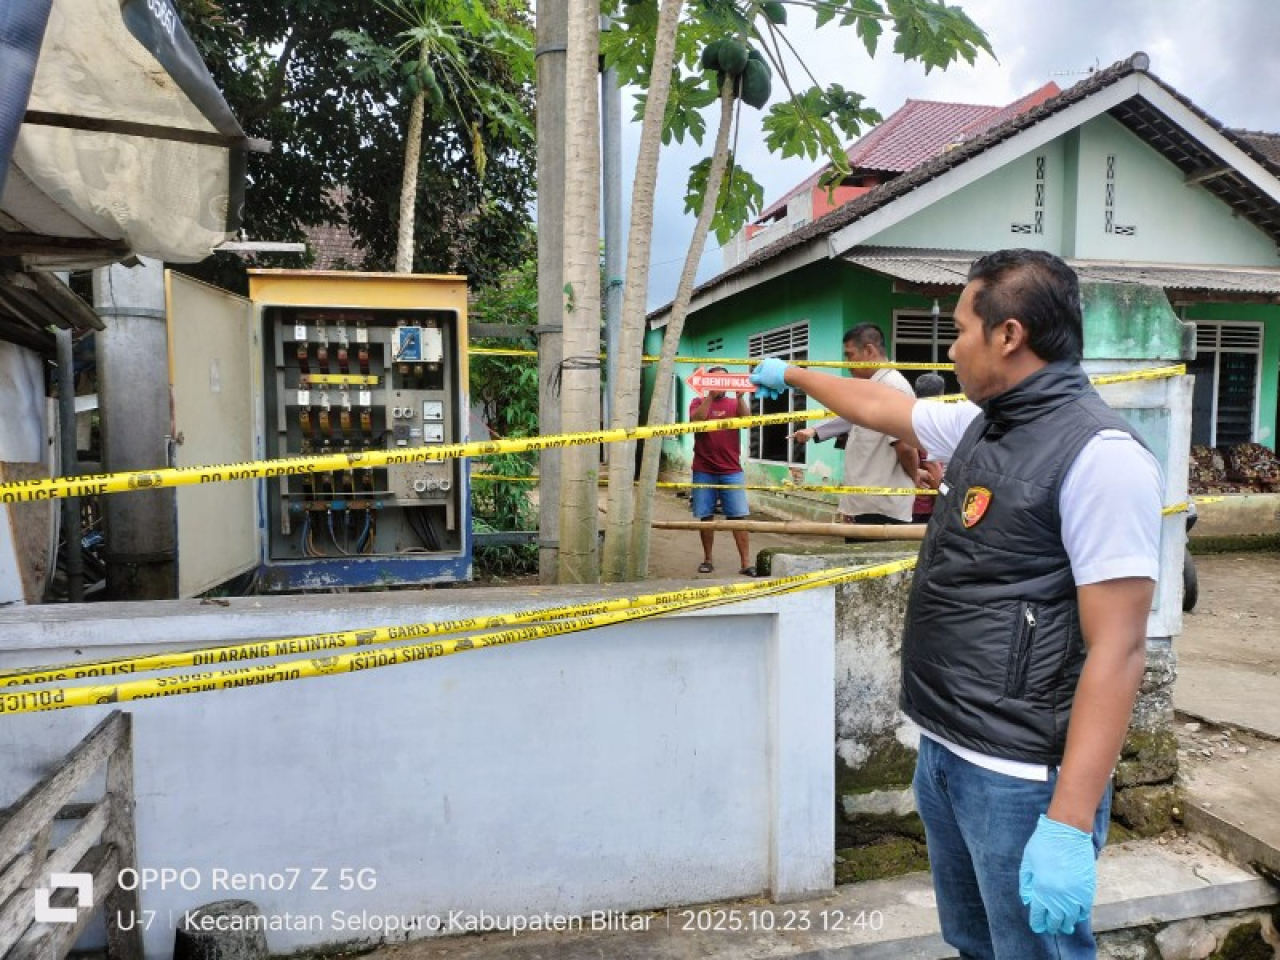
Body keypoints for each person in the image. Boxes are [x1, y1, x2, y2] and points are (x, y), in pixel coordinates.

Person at [750, 249, 1162, 959]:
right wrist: (791, 374)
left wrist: (1066, 823)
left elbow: (1119, 647)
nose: (950, 347)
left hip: (1021, 776)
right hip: (946, 750)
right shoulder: (987, 423)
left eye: (962, 327)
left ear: (1009, 336)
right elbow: (885, 407)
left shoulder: (1101, 457)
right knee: (974, 944)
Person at [790, 325, 918, 526]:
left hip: (881, 507)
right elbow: (850, 415)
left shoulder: (893, 388)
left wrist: (915, 475)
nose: (847, 364)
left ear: (869, 351)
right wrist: (814, 430)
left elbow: (906, 447)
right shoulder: (874, 387)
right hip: (865, 501)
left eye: (850, 356)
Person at [689, 367, 756, 576]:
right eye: (716, 380)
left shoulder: (734, 403)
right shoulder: (698, 402)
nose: (720, 384)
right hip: (704, 469)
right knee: (706, 516)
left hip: (731, 469)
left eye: (723, 380)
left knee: (738, 517)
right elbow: (697, 422)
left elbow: (747, 421)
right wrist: (709, 396)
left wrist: (741, 397)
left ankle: (746, 563)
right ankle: (707, 559)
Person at [910, 372, 948, 524]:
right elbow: (931, 465)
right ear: (941, 394)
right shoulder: (931, 420)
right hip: (925, 505)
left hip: (909, 502)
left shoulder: (910, 415)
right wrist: (944, 498)